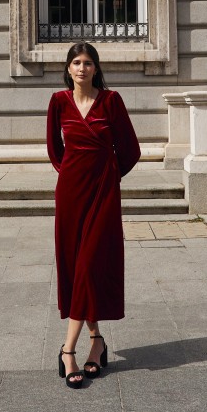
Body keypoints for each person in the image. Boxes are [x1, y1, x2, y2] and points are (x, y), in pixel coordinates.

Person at [46, 42, 141, 388]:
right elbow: (54, 150)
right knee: (76, 268)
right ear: (68, 68)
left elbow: (131, 150)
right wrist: (72, 174)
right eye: (76, 62)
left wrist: (109, 176)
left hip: (103, 194)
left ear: (96, 68)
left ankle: (67, 349)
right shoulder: (58, 102)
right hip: (71, 194)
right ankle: (96, 341)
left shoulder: (111, 101)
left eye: (88, 62)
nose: (82, 68)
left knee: (88, 265)